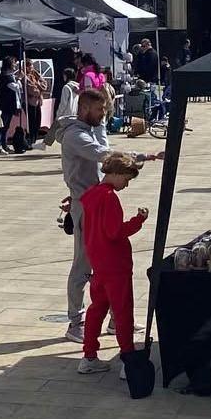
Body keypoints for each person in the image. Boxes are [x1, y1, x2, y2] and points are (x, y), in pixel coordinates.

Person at [57, 88, 157, 343]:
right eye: (100, 109)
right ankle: (75, 322)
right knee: (84, 262)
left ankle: (116, 319)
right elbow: (106, 157)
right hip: (85, 206)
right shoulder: (76, 135)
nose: (104, 114)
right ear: (84, 109)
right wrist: (146, 156)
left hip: (95, 200)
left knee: (107, 260)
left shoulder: (91, 129)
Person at [78, 152, 148, 374]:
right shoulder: (109, 197)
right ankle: (128, 359)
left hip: (98, 262)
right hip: (115, 264)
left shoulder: (91, 194)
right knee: (122, 311)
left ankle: (89, 355)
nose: (126, 185)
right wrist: (138, 221)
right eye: (126, 179)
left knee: (96, 308)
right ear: (116, 174)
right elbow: (115, 232)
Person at [0, 54, 26, 154]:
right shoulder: (5, 76)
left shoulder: (10, 75)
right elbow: (15, 87)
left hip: (10, 104)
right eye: (14, 63)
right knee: (2, 126)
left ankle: (4, 144)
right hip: (5, 104)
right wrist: (19, 79)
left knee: (6, 126)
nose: (15, 64)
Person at [49, 69, 79, 147]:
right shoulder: (77, 87)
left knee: (59, 132)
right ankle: (45, 143)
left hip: (65, 114)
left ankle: (46, 143)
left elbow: (63, 103)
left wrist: (58, 113)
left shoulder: (66, 87)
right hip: (74, 113)